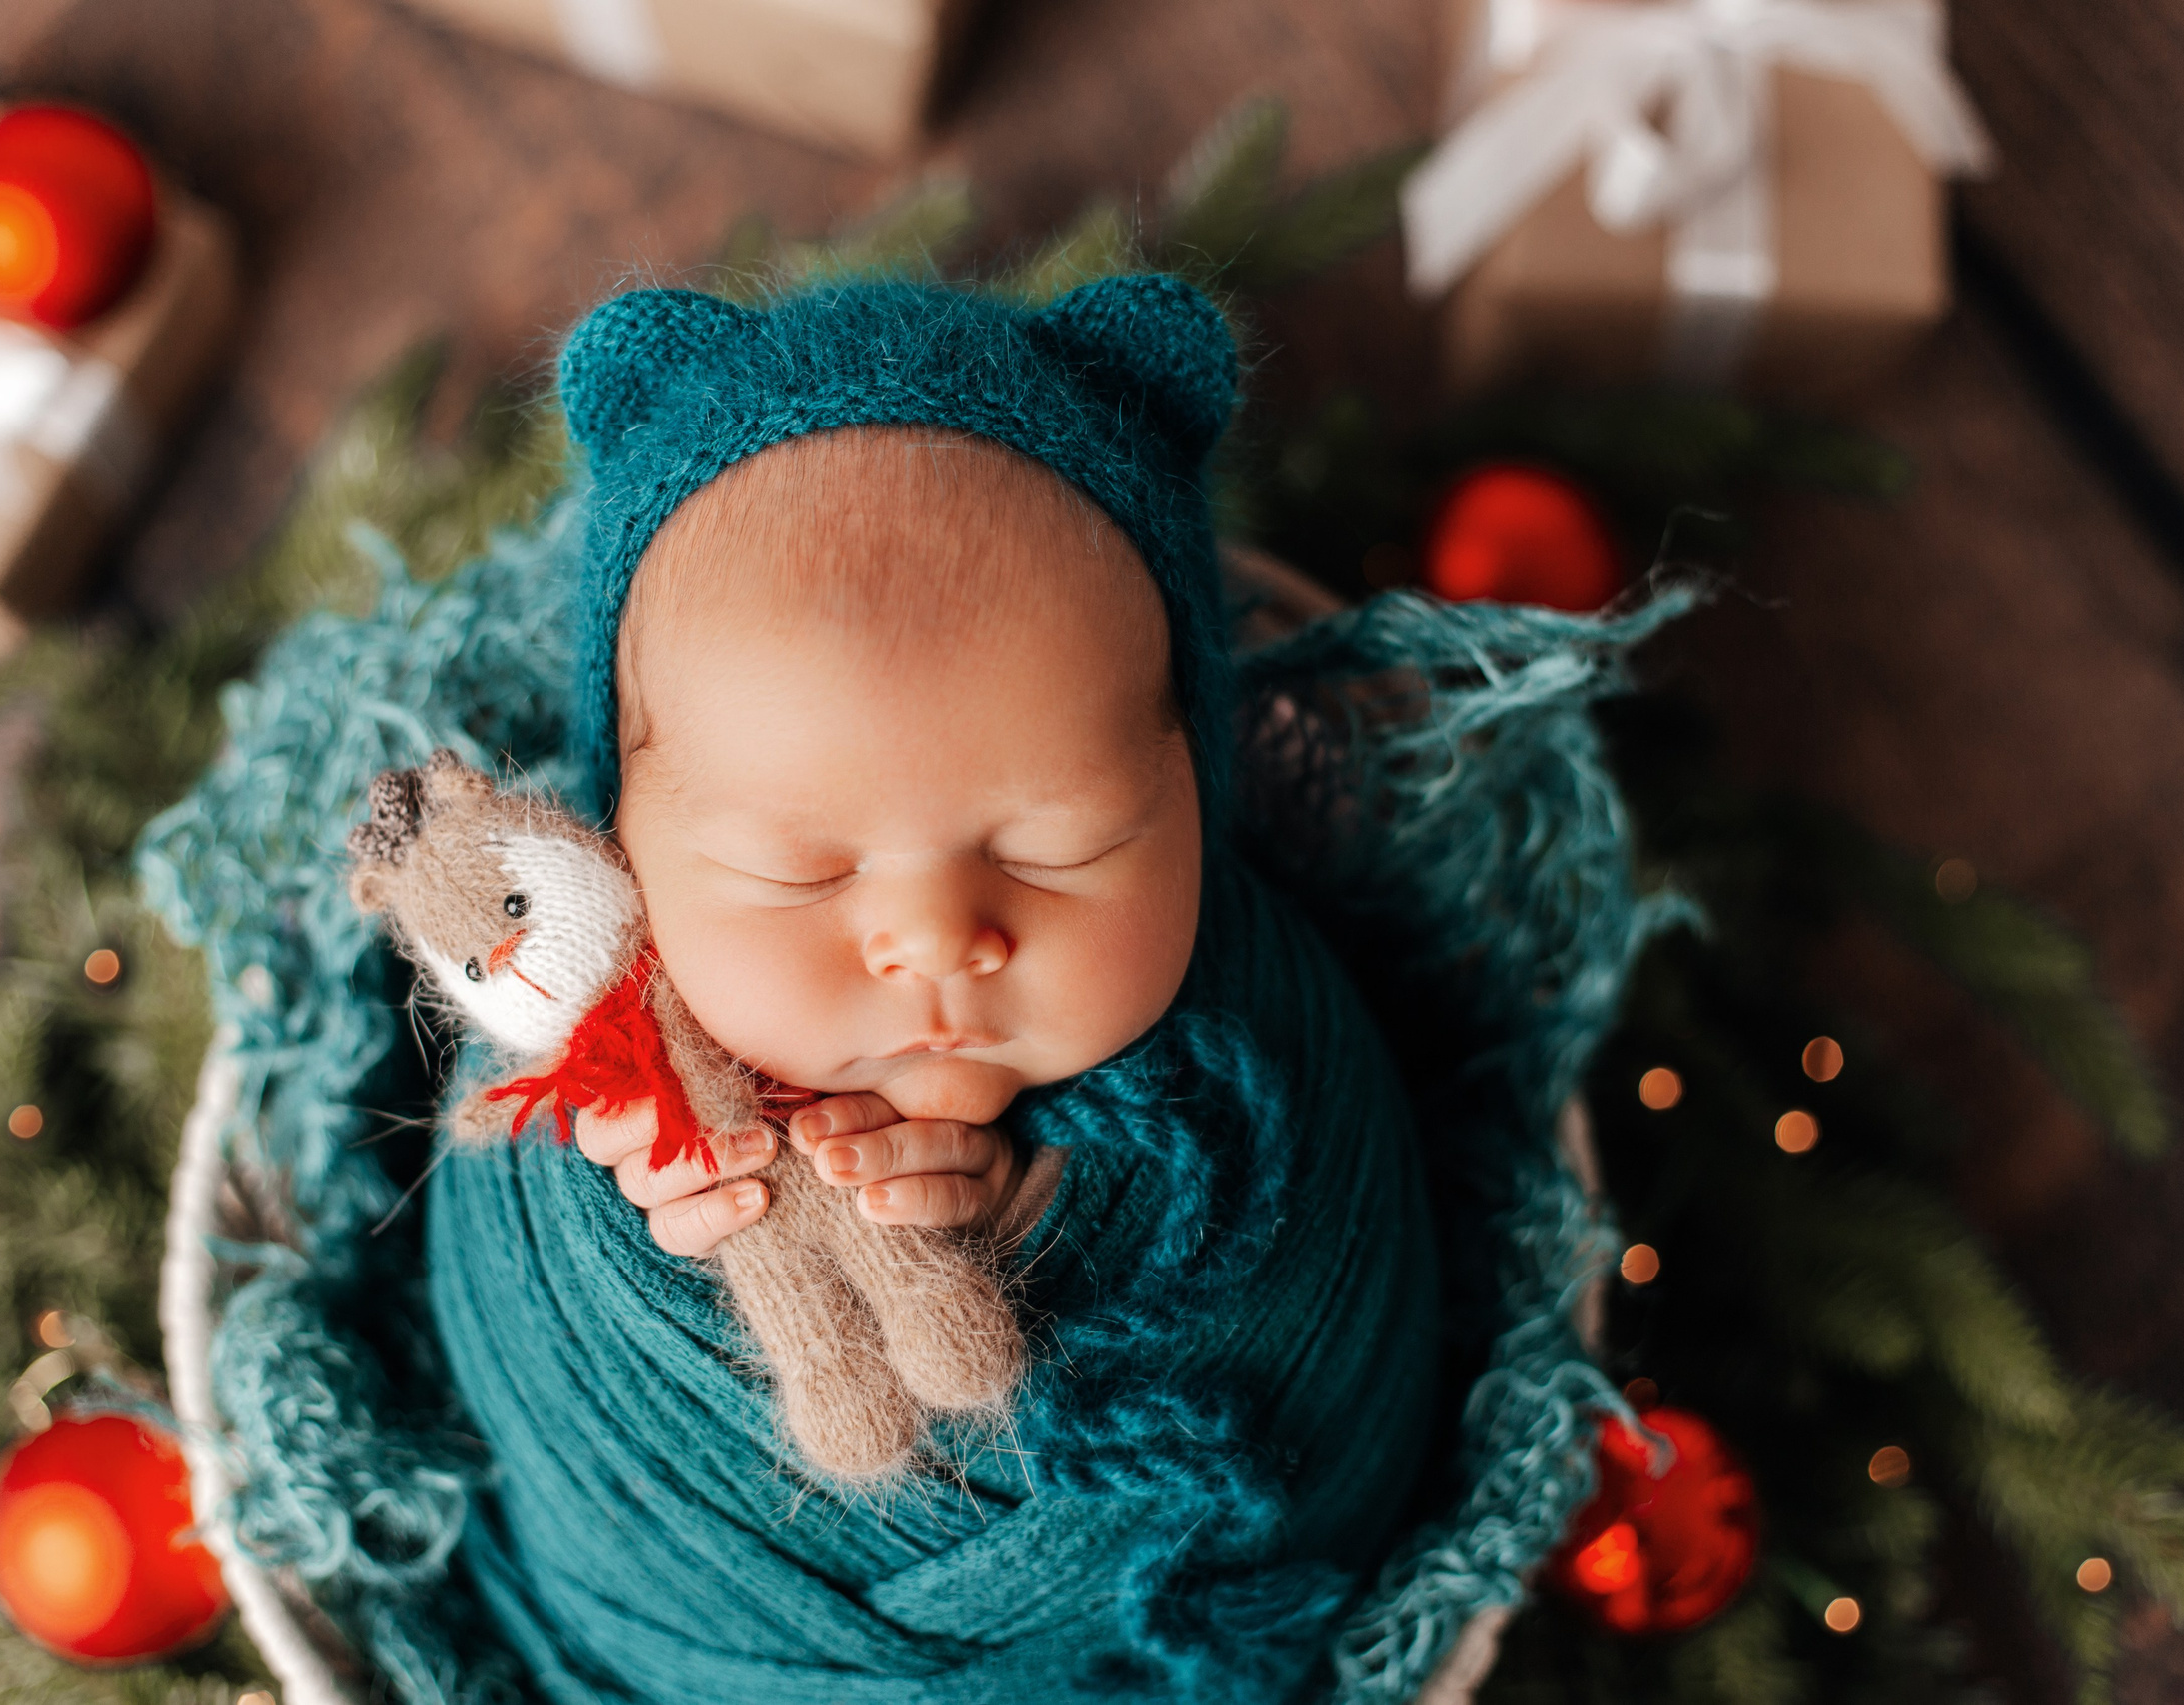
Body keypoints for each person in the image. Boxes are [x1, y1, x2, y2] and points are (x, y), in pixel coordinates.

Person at [421, 274, 1443, 1700]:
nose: (939, 939)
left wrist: (1045, 1230)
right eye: (801, 873)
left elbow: (1339, 1320)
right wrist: (639, 1219)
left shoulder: (1274, 1018)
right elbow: (512, 1277)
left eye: (1059, 844)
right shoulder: (579, 981)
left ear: (1197, 787)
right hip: (703, 1621)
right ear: (622, 851)